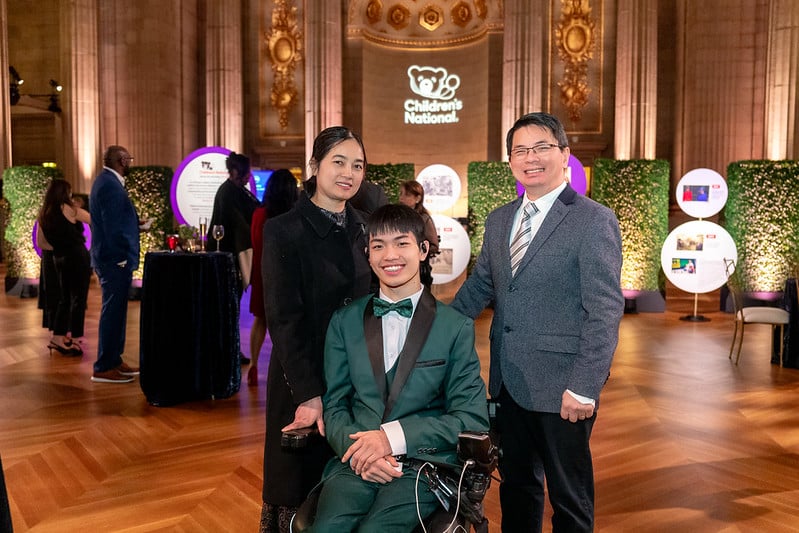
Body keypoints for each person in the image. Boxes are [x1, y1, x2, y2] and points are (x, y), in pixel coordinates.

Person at [451, 112, 624, 532]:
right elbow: (481, 288)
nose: (531, 157)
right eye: (520, 150)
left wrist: (584, 387)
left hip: (564, 388)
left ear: (565, 155)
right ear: (510, 161)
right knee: (517, 490)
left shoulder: (592, 219)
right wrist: (429, 330)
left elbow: (603, 310)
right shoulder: (498, 220)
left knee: (569, 498)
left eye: (542, 147)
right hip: (509, 383)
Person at [311, 203, 489, 531]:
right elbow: (335, 406)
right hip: (357, 461)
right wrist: (361, 452)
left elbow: (471, 418)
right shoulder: (344, 322)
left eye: (401, 243)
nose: (390, 255)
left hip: (423, 467)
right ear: (368, 254)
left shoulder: (455, 327)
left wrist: (391, 438)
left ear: (423, 250)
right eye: (378, 246)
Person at [260, 126, 373, 532]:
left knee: (348, 487)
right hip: (302, 380)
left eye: (357, 165)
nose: (348, 172)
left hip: (357, 381)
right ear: (315, 166)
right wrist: (308, 394)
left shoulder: (366, 227)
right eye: (338, 162)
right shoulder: (283, 229)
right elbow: (283, 319)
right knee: (297, 489)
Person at [89, 145, 143, 384]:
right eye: (128, 159)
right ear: (122, 160)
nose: (130, 163)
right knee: (112, 312)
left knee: (117, 311)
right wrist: (120, 257)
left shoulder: (105, 182)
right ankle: (103, 366)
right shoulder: (110, 185)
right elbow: (111, 227)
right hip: (114, 260)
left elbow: (114, 220)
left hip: (112, 258)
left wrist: (136, 223)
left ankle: (113, 359)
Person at [208, 151, 260, 364]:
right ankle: (227, 352)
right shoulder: (229, 193)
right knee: (229, 307)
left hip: (232, 257)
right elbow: (241, 225)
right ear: (237, 171)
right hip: (229, 259)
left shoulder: (235, 190)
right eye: (247, 172)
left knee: (232, 307)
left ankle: (229, 350)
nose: (249, 177)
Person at [248, 169, 299, 386]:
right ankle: (286, 369)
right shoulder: (293, 215)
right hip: (286, 274)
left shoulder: (259, 214)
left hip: (261, 272)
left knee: (260, 319)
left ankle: (253, 363)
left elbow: (254, 242)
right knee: (287, 323)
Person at [38, 179, 92, 356]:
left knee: (65, 298)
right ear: (64, 193)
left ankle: (58, 337)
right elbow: (92, 219)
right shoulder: (68, 208)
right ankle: (76, 339)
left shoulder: (44, 213)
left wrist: (60, 247)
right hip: (77, 256)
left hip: (58, 258)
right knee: (79, 298)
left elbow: (42, 243)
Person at [398, 180, 439, 288]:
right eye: (401, 194)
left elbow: (434, 246)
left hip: (419, 272)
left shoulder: (424, 219)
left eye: (407, 195)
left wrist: (414, 250)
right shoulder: (397, 217)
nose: (401, 198)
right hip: (400, 270)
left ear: (418, 198)